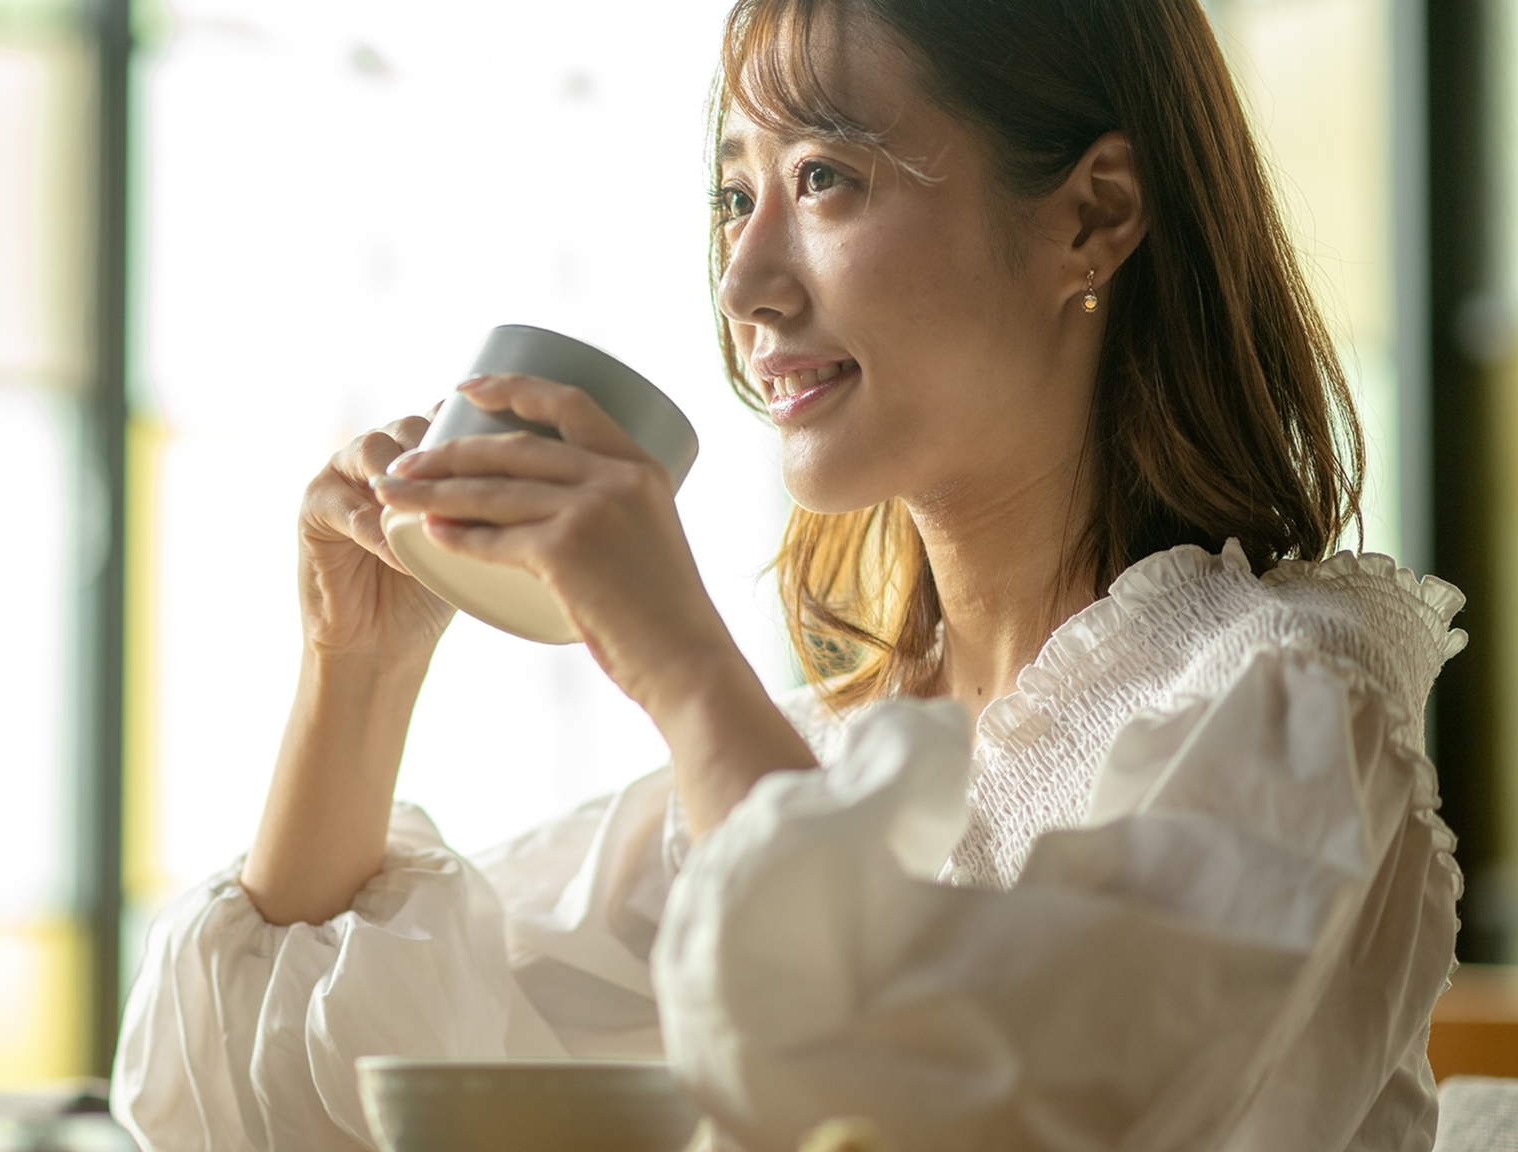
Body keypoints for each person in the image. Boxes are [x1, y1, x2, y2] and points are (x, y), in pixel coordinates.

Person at [110, 0, 1465, 1148]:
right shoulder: (820, 763)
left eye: (826, 178)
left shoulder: (1287, 705)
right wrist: (358, 669)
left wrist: (676, 654)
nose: (745, 284)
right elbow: (281, 1107)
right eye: (733, 193)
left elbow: (955, 1106)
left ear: (1091, 216)